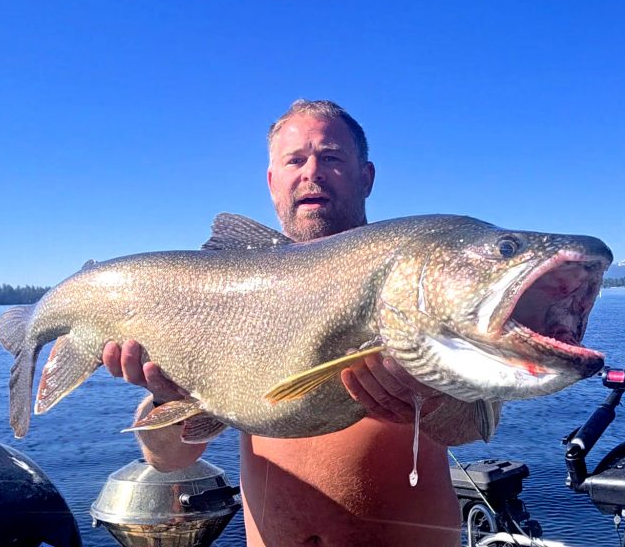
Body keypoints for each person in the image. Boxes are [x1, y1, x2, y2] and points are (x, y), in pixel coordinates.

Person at [103, 100, 491, 546]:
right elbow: (167, 461)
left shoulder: (414, 278)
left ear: (366, 177)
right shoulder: (231, 299)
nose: (312, 172)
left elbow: (474, 425)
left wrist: (428, 399)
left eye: (330, 157)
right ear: (272, 182)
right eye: (295, 160)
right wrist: (164, 398)